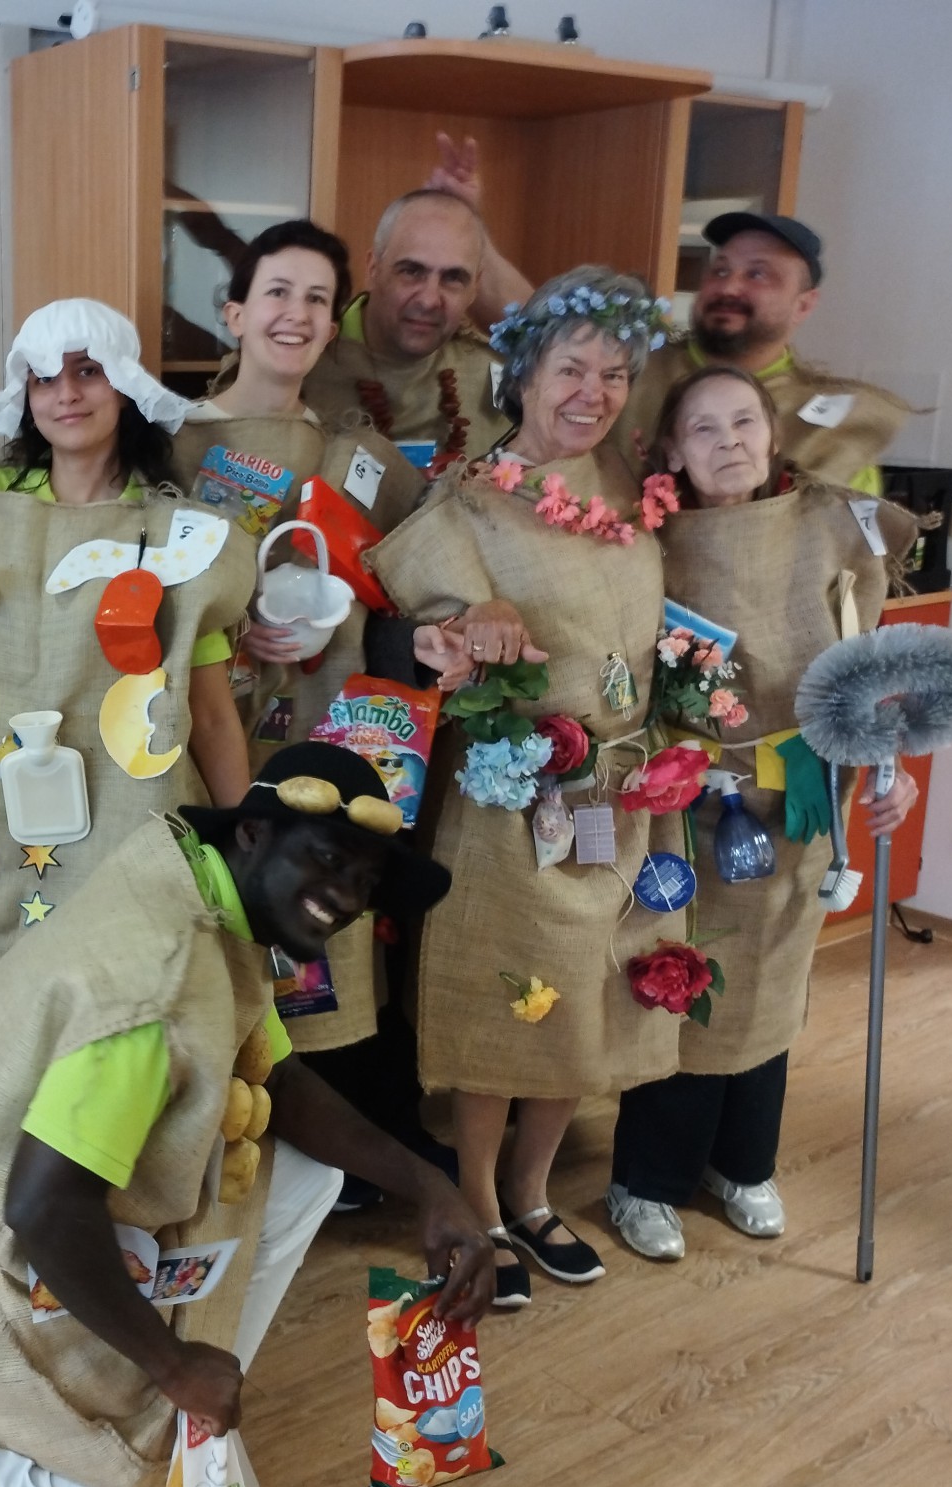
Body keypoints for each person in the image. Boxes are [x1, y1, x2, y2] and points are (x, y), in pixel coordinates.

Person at [0, 742, 491, 1487]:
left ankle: (184, 1402)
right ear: (253, 834)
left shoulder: (195, 884)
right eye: (327, 858)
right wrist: (173, 1369)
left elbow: (279, 1078)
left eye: (365, 880)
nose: (345, 895)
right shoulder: (158, 986)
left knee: (307, 1178)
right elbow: (44, 1209)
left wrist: (429, 1185)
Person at [363, 266, 688, 1309]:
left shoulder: (626, 488)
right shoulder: (469, 504)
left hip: (623, 793)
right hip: (518, 800)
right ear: (525, 376)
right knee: (506, 1002)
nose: (593, 391)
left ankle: (533, 1193)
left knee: (587, 997)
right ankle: (476, 1204)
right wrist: (472, 620)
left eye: (614, 373)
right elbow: (428, 628)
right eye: (571, 369)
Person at [605, 365, 920, 1258]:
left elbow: (866, 661)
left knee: (775, 979)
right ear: (672, 450)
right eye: (704, 428)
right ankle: (647, 1182)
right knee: (680, 978)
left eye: (744, 422)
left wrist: (890, 768)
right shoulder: (641, 540)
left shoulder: (827, 525)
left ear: (773, 436)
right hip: (688, 804)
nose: (728, 442)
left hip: (800, 798)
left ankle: (743, 1165)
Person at [170, 220, 452, 1182]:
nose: (295, 314)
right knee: (212, 949)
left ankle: (320, 1174)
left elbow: (423, 566)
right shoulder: (172, 441)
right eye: (277, 293)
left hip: (329, 745)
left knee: (322, 948)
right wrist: (222, 625)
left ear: (335, 326)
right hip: (200, 741)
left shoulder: (356, 456)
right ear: (235, 312)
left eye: (318, 300)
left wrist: (439, 629)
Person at [0, 298, 254, 1016]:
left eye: (88, 371)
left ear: (125, 384)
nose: (65, 393)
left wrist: (250, 834)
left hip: (124, 831)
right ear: (24, 396)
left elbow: (211, 712)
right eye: (43, 377)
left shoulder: (175, 535)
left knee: (115, 1014)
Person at [617, 213, 910, 492]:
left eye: (757, 274)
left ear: (803, 305)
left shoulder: (834, 437)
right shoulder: (627, 371)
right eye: (720, 270)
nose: (729, 287)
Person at [266, 188, 512, 469]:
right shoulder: (297, 362)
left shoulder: (497, 378)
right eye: (411, 271)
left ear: (475, 288)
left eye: (453, 277)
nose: (429, 300)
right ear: (373, 269)